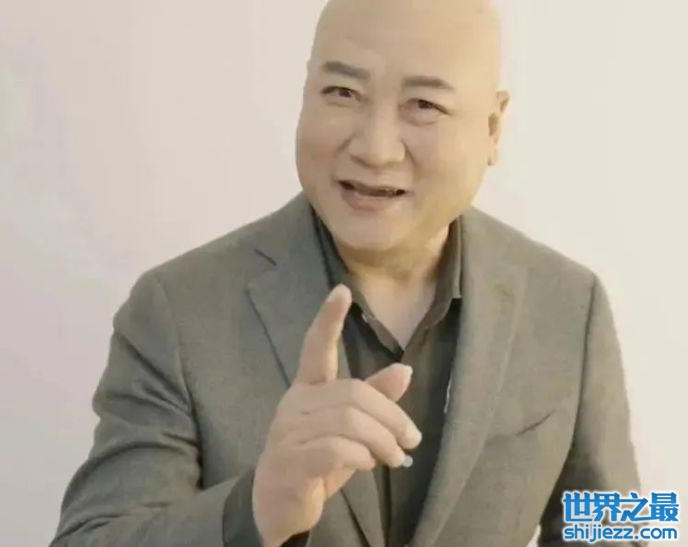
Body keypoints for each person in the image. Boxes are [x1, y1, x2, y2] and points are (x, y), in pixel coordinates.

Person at [51, 0, 642, 545]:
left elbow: (623, 526)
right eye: (342, 92)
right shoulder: (176, 310)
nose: (375, 148)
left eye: (424, 105)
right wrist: (257, 507)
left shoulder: (570, 302)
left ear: (492, 127)